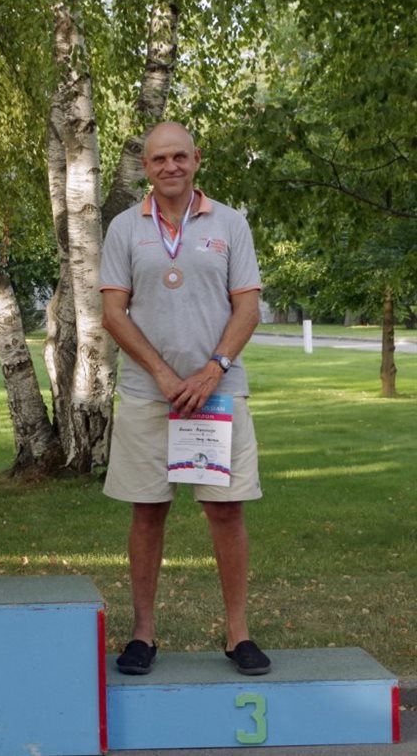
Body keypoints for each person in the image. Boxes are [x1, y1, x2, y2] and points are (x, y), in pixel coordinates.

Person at [99, 121, 271, 677]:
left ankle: (238, 633)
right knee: (148, 511)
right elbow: (113, 313)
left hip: (217, 392)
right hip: (149, 394)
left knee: (225, 510)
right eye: (158, 159)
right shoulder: (125, 227)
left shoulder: (230, 223)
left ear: (197, 159)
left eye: (179, 156)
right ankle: (143, 633)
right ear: (145, 168)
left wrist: (213, 369)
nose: (170, 167)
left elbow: (248, 307)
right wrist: (164, 375)